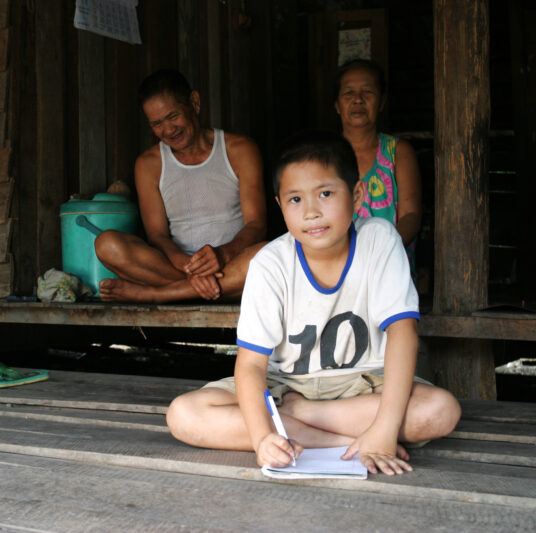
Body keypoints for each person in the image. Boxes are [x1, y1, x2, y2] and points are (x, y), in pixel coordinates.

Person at [165, 132, 460, 475]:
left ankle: (302, 419)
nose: (311, 212)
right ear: (280, 206)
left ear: (357, 194)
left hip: (363, 383)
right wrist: (261, 437)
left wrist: (384, 425)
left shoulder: (379, 240)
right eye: (295, 200)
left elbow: (403, 333)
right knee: (183, 415)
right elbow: (250, 367)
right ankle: (338, 441)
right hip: (284, 385)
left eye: (325, 193)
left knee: (440, 411)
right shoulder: (270, 263)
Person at [94, 69, 267, 303]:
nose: (167, 130)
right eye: (157, 124)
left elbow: (256, 225)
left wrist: (222, 254)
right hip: (177, 268)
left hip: (233, 263)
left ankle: (159, 294)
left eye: (173, 116)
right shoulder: (148, 164)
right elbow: (157, 235)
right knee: (106, 244)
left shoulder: (240, 150)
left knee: (272, 253)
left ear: (194, 103)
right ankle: (200, 288)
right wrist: (188, 267)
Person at [334, 59, 421, 269]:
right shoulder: (323, 155)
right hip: (335, 268)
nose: (358, 100)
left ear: (381, 101)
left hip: (388, 267)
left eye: (368, 92)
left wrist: (382, 256)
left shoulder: (398, 152)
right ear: (337, 105)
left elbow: (411, 216)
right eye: (348, 93)